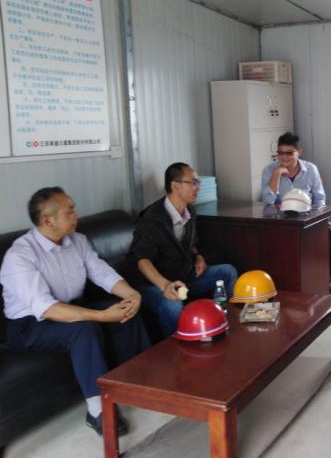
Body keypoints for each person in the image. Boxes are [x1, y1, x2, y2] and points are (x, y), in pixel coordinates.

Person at [0, 187, 150, 435]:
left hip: (71, 309)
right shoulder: (20, 255)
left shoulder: (77, 240)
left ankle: (135, 383)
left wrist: (131, 294)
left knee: (126, 311)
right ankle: (97, 411)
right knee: (84, 329)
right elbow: (47, 308)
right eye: (69, 211)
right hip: (31, 325)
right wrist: (102, 316)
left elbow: (101, 273)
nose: (76, 215)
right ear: (48, 220)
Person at [128, 162, 237, 336]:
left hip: (182, 277)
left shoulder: (189, 211)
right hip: (154, 284)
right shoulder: (152, 218)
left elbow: (190, 242)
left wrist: (198, 256)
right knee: (172, 305)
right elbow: (143, 261)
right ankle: (181, 348)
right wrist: (165, 286)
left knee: (227, 272)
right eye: (193, 183)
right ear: (175, 186)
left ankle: (221, 319)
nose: (197, 187)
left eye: (197, 183)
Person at [261, 132, 331, 294]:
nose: (284, 157)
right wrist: (277, 174)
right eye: (280, 153)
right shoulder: (270, 170)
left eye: (289, 153)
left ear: (299, 152)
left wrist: (322, 219)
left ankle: (328, 278)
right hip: (281, 219)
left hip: (308, 216)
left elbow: (319, 198)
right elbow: (268, 200)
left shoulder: (311, 169)